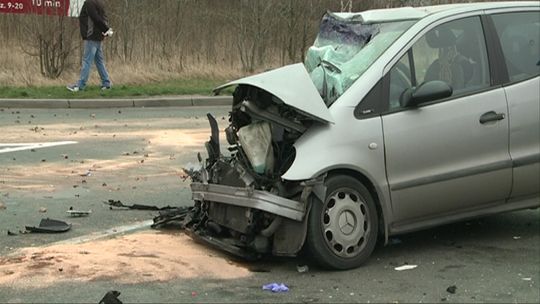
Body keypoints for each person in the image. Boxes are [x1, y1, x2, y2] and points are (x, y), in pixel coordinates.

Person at [67, 0, 113, 92]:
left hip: (91, 36)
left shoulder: (89, 3)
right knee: (99, 60)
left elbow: (96, 18)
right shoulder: (98, 3)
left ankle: (80, 85)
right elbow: (103, 18)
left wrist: (106, 29)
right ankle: (106, 83)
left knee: (87, 61)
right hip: (98, 36)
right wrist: (105, 30)